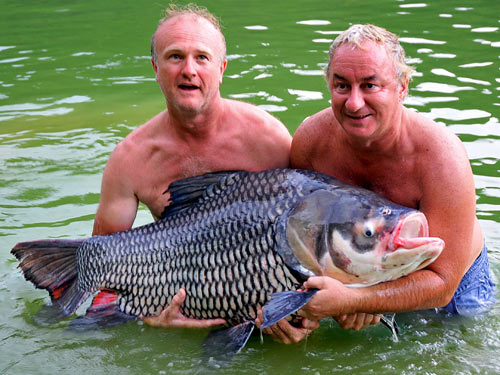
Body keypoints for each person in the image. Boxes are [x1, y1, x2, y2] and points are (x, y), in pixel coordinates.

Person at [92, 3, 318, 341]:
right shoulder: (131, 159)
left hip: (266, 304)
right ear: (155, 68)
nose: (188, 70)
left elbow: (313, 231)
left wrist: (304, 312)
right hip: (182, 297)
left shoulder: (268, 138)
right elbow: (99, 265)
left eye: (202, 57)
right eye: (174, 57)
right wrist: (148, 315)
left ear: (221, 68)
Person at [288, 24, 496, 324]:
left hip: (451, 284)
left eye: (370, 85)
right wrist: (344, 296)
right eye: (342, 85)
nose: (354, 103)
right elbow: (300, 236)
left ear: (402, 87)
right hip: (359, 266)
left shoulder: (441, 157)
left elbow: (443, 284)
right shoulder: (311, 142)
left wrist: (359, 300)